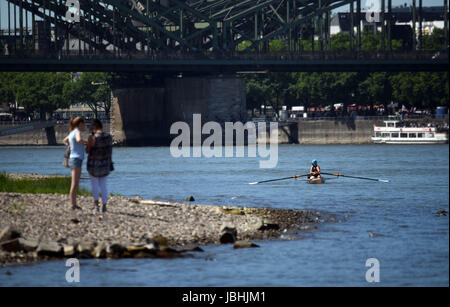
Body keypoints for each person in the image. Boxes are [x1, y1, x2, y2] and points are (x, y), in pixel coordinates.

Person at [86, 119, 113, 213]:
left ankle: (96, 205)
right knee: (104, 185)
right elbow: (110, 151)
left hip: (94, 164)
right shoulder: (109, 137)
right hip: (105, 163)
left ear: (94, 127)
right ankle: (104, 206)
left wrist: (89, 141)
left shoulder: (93, 137)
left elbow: (88, 150)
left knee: (95, 185)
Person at [63, 117, 87, 210]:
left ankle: (74, 203)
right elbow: (78, 140)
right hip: (77, 159)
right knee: (75, 183)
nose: (85, 126)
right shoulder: (77, 132)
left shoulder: (71, 132)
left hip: (73, 159)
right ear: (80, 124)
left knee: (75, 182)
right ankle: (73, 204)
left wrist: (70, 146)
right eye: (84, 124)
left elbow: (65, 140)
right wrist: (87, 142)